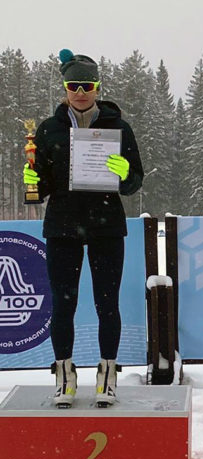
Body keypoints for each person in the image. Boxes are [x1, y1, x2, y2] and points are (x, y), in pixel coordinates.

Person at [22, 49, 143, 407]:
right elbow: (43, 186)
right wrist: (33, 180)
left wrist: (125, 174)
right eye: (73, 85)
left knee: (107, 303)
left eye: (87, 86)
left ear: (97, 87)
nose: (80, 92)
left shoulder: (119, 128)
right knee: (63, 305)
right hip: (62, 227)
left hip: (107, 227)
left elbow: (134, 182)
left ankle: (107, 374)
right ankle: (65, 374)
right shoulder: (49, 129)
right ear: (64, 87)